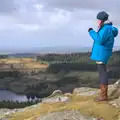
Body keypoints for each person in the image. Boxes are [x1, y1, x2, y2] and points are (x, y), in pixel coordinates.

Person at [88, 11, 118, 101]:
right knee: (102, 71)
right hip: (103, 52)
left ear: (101, 20)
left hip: (102, 53)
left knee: (102, 73)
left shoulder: (105, 29)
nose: (97, 21)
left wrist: (91, 31)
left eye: (98, 20)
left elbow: (99, 40)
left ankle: (103, 95)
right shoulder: (108, 28)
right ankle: (103, 94)